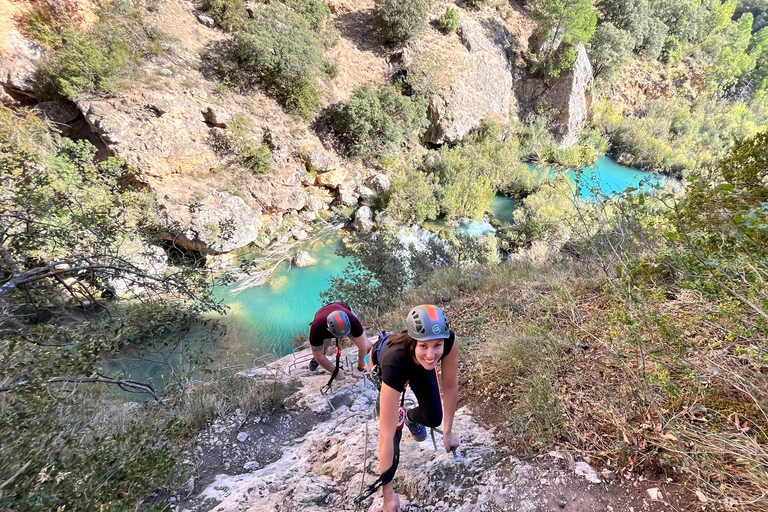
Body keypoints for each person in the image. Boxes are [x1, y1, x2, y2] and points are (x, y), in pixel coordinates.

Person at [375, 304, 460, 512]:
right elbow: (385, 435)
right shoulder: (394, 361)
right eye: (424, 345)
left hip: (417, 364)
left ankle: (408, 416)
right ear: (414, 342)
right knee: (390, 428)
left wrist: (448, 432)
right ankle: (398, 414)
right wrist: (388, 495)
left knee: (433, 418)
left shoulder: (448, 341)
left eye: (437, 345)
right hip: (391, 370)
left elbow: (450, 386)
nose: (431, 354)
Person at [308, 301, 372, 380]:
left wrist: (360, 368)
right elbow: (319, 356)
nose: (343, 337)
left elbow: (363, 346)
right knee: (322, 350)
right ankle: (316, 360)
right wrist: (335, 371)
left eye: (345, 334)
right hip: (322, 320)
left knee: (368, 346)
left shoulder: (352, 320)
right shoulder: (317, 328)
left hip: (343, 311)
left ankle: (373, 359)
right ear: (328, 330)